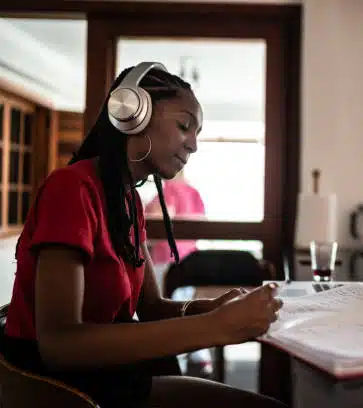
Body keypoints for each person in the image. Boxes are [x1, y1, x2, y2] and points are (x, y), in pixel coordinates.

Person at [2, 62, 285, 408]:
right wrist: (216, 327)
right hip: (60, 385)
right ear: (132, 113)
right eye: (184, 125)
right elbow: (59, 345)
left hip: (107, 371)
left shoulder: (128, 199)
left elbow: (151, 308)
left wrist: (210, 307)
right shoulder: (72, 188)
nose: (194, 144)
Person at [145, 168, 205, 265]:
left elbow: (158, 223)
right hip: (189, 255)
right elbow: (201, 224)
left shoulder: (169, 190)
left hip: (168, 257)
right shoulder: (194, 193)